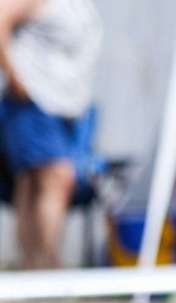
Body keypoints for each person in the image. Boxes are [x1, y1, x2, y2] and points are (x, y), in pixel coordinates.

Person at [0, 0, 101, 269]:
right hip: (34, 102)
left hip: (65, 108)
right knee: (57, 176)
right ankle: (46, 261)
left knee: (31, 183)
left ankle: (31, 263)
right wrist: (13, 77)